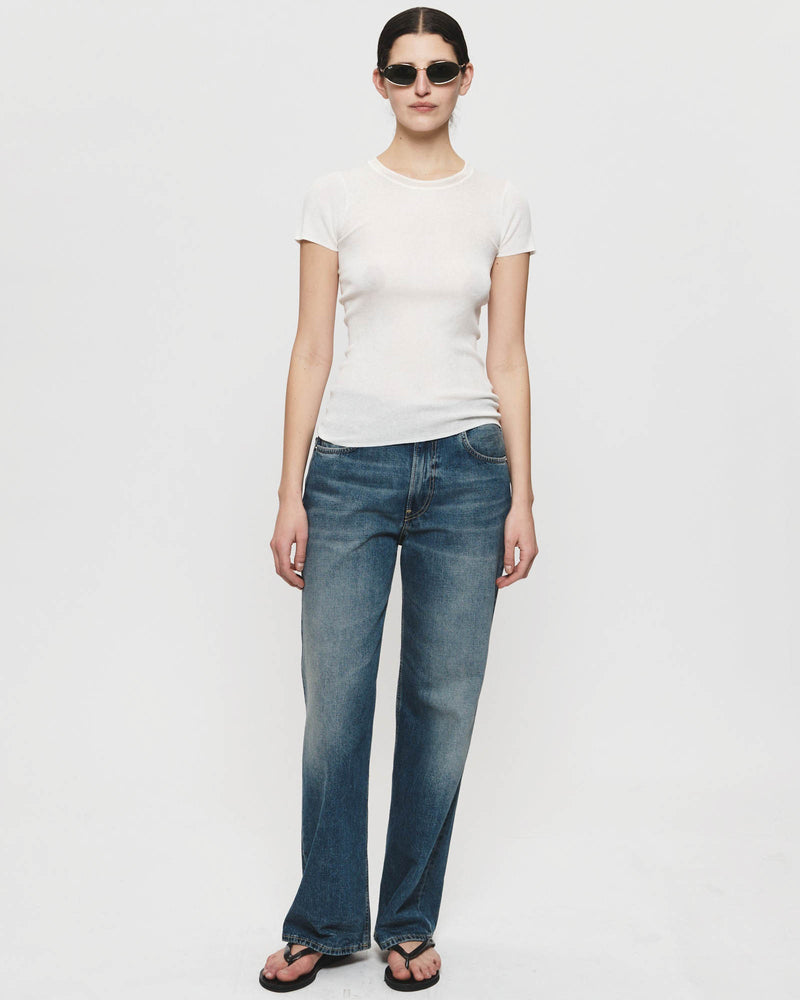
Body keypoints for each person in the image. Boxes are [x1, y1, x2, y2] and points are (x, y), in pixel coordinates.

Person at [260, 6, 539, 992]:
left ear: (465, 79)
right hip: (349, 470)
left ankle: (408, 922)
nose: (423, 86)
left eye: (440, 69)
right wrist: (289, 491)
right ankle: (327, 918)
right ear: (379, 82)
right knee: (334, 702)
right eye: (405, 70)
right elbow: (310, 349)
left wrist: (522, 496)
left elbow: (508, 356)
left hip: (468, 469)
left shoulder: (501, 202)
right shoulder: (335, 196)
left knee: (440, 703)